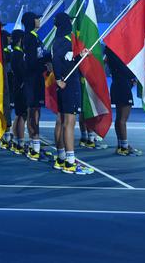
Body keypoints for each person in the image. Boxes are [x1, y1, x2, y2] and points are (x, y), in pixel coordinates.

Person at [50, 12, 90, 174]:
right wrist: (59, 78)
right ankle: (70, 162)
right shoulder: (65, 41)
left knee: (61, 121)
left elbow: (66, 61)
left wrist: (80, 56)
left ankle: (61, 158)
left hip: (63, 86)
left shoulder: (58, 41)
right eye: (69, 21)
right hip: (69, 85)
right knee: (69, 123)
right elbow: (58, 62)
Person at [22, 11, 48, 161]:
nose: (39, 20)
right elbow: (32, 61)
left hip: (36, 79)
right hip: (32, 79)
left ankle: (35, 145)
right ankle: (34, 148)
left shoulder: (34, 36)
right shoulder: (30, 37)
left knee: (36, 112)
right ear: (31, 21)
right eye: (37, 18)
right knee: (33, 112)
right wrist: (44, 63)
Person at [106, 47, 142, 156]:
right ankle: (124, 147)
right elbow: (123, 69)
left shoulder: (112, 53)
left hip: (120, 85)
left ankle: (121, 145)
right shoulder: (113, 53)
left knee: (120, 118)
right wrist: (134, 75)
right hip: (122, 86)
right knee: (122, 119)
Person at [7, 29, 27, 154]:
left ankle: (16, 141)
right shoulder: (18, 54)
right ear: (20, 40)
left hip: (17, 87)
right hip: (20, 87)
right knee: (22, 115)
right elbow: (21, 71)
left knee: (19, 115)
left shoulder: (15, 53)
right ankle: (20, 142)